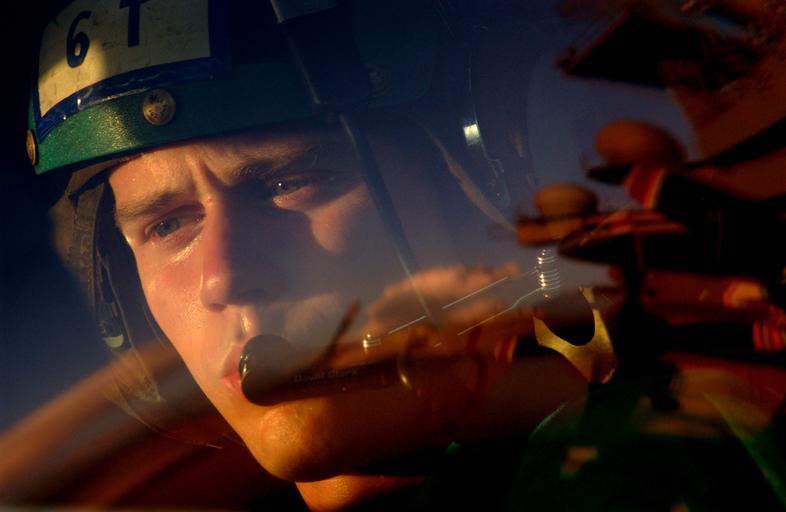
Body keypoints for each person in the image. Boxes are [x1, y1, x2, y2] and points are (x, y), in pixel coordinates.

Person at [19, 0, 786, 510]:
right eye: (167, 226)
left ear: (482, 192)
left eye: (289, 182)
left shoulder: (664, 469)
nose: (223, 275)